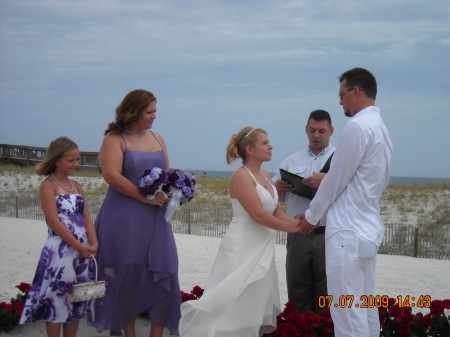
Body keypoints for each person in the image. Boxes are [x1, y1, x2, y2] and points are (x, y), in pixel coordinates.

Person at [179, 126, 301, 337]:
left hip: (261, 246)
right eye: (265, 143)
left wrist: (297, 223)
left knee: (254, 300)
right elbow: (258, 215)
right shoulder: (241, 176)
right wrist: (292, 228)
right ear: (250, 150)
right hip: (242, 246)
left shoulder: (263, 173)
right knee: (232, 301)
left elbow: (272, 209)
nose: (271, 146)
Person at [299, 68, 393, 337]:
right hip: (367, 226)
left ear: (356, 91)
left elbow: (335, 180)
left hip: (347, 231)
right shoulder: (382, 128)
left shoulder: (357, 126)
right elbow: (377, 180)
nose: (339, 102)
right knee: (365, 304)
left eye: (341, 95)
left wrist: (311, 217)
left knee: (347, 310)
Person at [88, 90, 180, 337]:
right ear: (134, 112)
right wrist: (145, 197)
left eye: (155, 111)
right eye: (149, 112)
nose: (154, 117)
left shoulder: (158, 138)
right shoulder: (115, 138)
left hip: (156, 217)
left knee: (165, 267)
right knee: (127, 270)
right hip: (124, 215)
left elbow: (166, 174)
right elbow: (111, 176)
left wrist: (173, 193)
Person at [19, 137, 98, 337]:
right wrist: (77, 246)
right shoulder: (48, 186)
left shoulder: (77, 186)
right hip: (60, 251)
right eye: (70, 160)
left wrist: (94, 242)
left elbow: (87, 217)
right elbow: (54, 222)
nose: (76, 164)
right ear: (57, 160)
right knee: (56, 299)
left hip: (83, 251)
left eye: (77, 159)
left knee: (78, 299)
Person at [272, 109, 335, 314]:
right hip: (298, 232)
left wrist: (324, 181)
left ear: (331, 131)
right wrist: (279, 191)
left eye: (322, 131)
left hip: (329, 233)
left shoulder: (341, 160)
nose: (317, 135)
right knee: (297, 289)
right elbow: (275, 198)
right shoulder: (291, 161)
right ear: (306, 130)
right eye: (312, 130)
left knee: (327, 293)